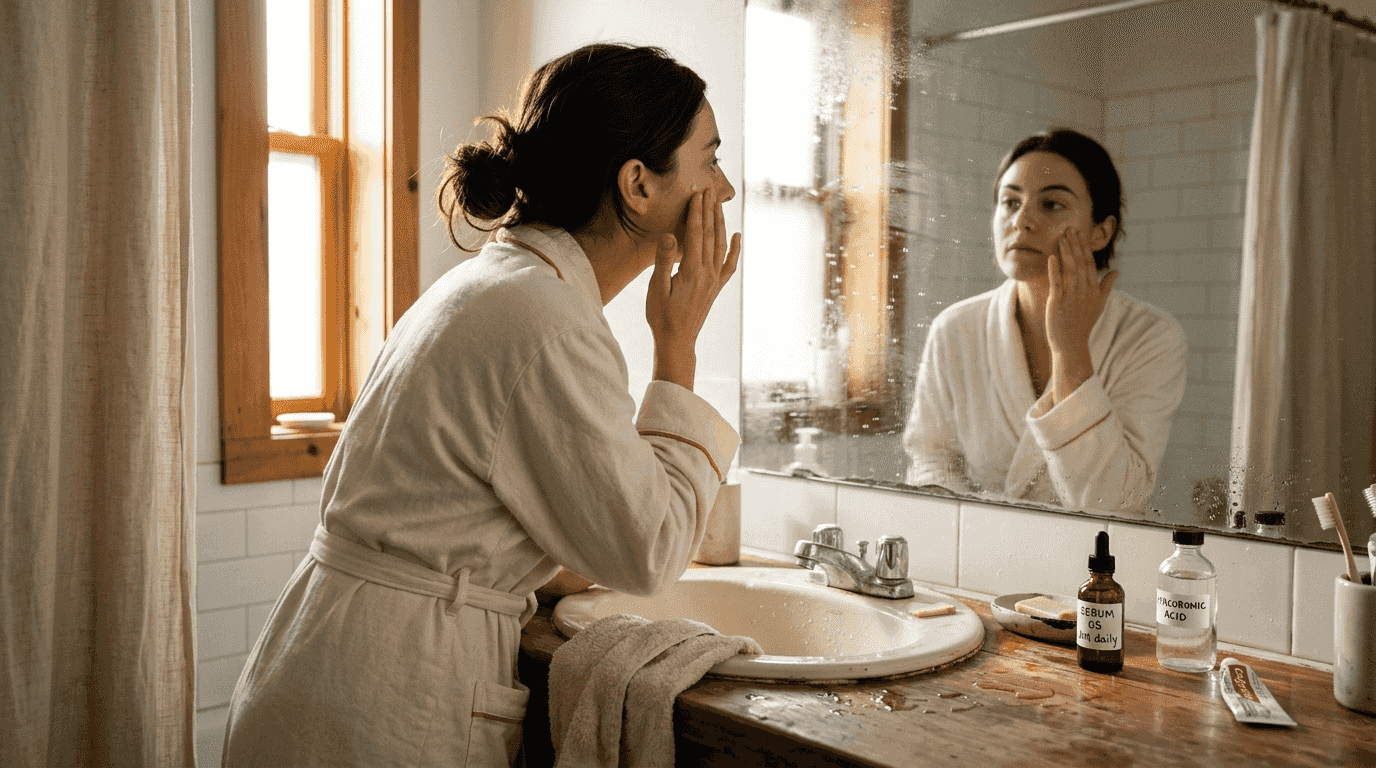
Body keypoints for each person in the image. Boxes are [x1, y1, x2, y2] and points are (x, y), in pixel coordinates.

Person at [221, 43, 741, 767]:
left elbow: (468, 510)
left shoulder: (496, 286)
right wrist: (677, 344)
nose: (727, 189)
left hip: (320, 666)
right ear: (638, 185)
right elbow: (648, 552)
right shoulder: (546, 319)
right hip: (388, 698)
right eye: (710, 159)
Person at [902, 128, 1185, 515]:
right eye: (1010, 202)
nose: (1022, 220)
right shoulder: (955, 329)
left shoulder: (1149, 337)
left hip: (1093, 566)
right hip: (974, 556)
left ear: (1101, 232)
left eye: (1051, 204)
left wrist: (1070, 350)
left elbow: (1112, 501)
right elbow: (930, 461)